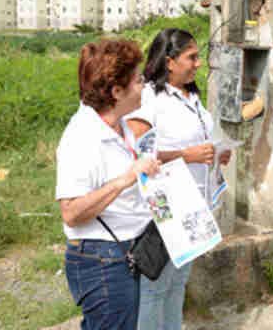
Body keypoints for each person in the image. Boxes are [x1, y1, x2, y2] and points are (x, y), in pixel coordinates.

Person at [126, 28, 231, 330]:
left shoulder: (191, 96)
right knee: (155, 285)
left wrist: (216, 155)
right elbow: (137, 153)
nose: (199, 63)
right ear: (169, 61)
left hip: (194, 203)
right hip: (165, 204)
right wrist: (186, 155)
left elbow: (199, 143)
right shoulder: (149, 97)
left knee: (178, 282)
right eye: (192, 57)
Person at [56, 40, 160, 330]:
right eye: (138, 80)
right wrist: (126, 178)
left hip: (124, 253)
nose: (144, 87)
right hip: (101, 261)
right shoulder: (82, 138)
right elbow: (71, 212)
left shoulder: (119, 125)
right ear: (116, 91)